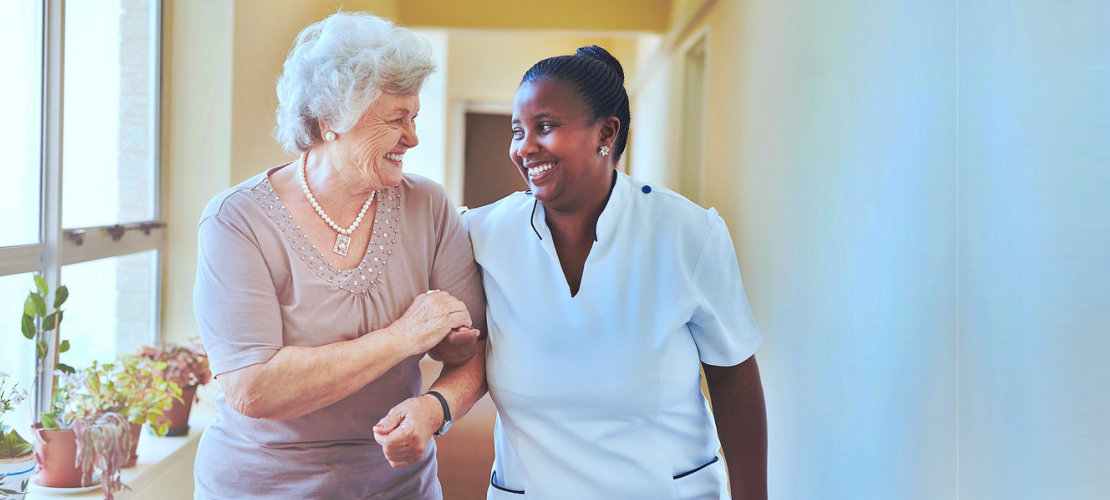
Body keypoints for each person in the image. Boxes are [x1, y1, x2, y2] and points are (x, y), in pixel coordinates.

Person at [372, 46, 769, 499]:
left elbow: (734, 376)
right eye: (517, 130)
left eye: (545, 127)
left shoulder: (687, 233)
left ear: (606, 132)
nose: (524, 148)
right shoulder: (482, 234)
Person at [191, 12, 486, 500]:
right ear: (330, 121)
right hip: (262, 485)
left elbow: (475, 354)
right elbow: (253, 388)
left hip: (399, 485)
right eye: (396, 119)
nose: (412, 137)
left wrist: (435, 406)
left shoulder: (428, 206)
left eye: (414, 117)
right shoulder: (236, 220)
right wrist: (402, 337)